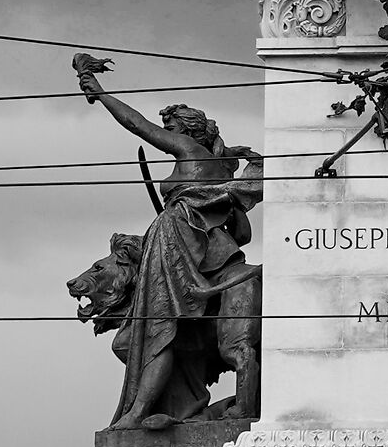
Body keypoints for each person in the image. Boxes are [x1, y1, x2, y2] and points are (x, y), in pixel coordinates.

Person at [74, 67, 263, 428]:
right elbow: (243, 234)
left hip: (177, 254)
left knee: (157, 331)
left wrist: (101, 94)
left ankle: (138, 413)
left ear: (186, 132)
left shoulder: (189, 149)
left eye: (173, 128)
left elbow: (138, 125)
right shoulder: (220, 174)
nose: (169, 135)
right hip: (215, 256)